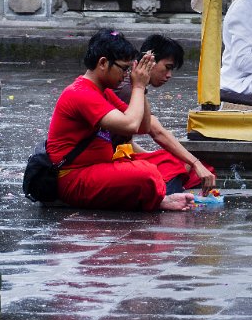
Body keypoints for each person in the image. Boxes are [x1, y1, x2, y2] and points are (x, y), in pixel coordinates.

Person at [46, 29, 204, 211]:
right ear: (103, 63)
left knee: (151, 168)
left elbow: (143, 126)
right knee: (147, 173)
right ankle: (159, 197)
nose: (126, 75)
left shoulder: (103, 91)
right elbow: (130, 125)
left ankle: (159, 198)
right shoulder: (80, 93)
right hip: (74, 177)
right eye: (124, 68)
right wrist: (138, 85)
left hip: (97, 168)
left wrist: (141, 88)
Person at [113, 34, 216, 193]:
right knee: (178, 165)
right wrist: (195, 163)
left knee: (182, 164)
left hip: (118, 153)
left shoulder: (136, 86)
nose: (169, 75)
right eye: (167, 67)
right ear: (149, 61)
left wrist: (153, 156)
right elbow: (155, 130)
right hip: (106, 160)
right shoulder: (128, 88)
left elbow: (125, 140)